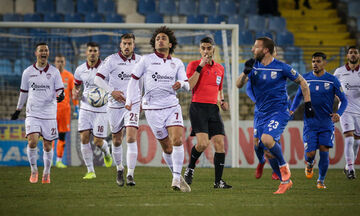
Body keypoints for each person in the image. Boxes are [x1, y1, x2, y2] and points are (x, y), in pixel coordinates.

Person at [236, 37, 313, 194]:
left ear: (265, 50)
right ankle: (285, 181)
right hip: (261, 113)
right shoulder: (254, 66)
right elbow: (238, 85)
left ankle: (284, 170)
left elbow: (303, 83)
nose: (252, 50)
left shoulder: (281, 67)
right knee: (263, 147)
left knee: (267, 140)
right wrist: (245, 72)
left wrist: (308, 105)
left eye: (256, 47)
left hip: (279, 111)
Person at [125, 26, 191, 192]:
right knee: (167, 148)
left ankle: (176, 179)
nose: (160, 40)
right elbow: (133, 80)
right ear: (154, 44)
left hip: (171, 106)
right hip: (152, 109)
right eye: (157, 38)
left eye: (163, 38)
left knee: (177, 140)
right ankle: (177, 175)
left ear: (170, 44)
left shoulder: (177, 63)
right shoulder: (146, 60)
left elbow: (188, 84)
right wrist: (130, 100)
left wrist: (181, 84)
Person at [290, 52, 347, 188]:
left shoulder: (332, 80)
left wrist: (339, 113)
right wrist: (292, 109)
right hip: (310, 122)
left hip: (326, 122)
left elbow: (344, 100)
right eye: (313, 61)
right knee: (310, 153)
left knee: (324, 150)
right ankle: (309, 163)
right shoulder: (305, 79)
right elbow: (298, 96)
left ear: (325, 63)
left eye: (318, 61)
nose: (315, 64)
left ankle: (321, 181)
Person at [11, 42, 65, 184]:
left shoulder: (54, 72)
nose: (43, 52)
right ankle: (34, 170)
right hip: (33, 113)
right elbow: (23, 92)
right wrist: (18, 109)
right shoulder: (28, 72)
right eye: (41, 50)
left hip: (49, 114)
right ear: (36, 53)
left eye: (46, 50)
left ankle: (46, 173)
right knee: (32, 141)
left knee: (48, 145)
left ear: (48, 53)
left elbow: (60, 90)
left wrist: (61, 95)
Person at [183, 37, 232, 189]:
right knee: (203, 144)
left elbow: (219, 88)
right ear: (200, 50)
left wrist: (222, 101)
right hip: (198, 107)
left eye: (208, 48)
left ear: (213, 49)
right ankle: (190, 168)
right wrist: (200, 67)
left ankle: (218, 182)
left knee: (220, 145)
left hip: (213, 108)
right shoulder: (193, 65)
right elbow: (190, 86)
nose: (206, 51)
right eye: (203, 48)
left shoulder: (220, 68)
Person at [94, 33, 141, 186]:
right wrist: (111, 91)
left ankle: (130, 174)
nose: (127, 46)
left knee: (131, 137)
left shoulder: (140, 61)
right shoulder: (111, 60)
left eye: (130, 43)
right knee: (117, 139)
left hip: (132, 104)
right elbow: (98, 78)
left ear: (134, 45)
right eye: (124, 44)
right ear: (120, 45)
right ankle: (120, 168)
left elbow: (144, 82)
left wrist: (142, 99)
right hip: (115, 105)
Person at [73, 42, 112, 180]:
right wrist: (75, 93)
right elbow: (76, 86)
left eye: (95, 51)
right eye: (90, 50)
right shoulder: (80, 70)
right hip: (85, 107)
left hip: (102, 109)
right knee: (84, 137)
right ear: (86, 53)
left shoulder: (106, 68)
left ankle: (107, 152)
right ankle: (90, 171)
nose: (92, 53)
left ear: (99, 53)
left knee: (98, 142)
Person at [334, 46, 360, 179]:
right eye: (351, 53)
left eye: (355, 52)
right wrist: (338, 96)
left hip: (359, 111)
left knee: (357, 142)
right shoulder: (339, 71)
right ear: (347, 56)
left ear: (359, 55)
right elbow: (333, 88)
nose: (353, 55)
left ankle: (348, 166)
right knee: (349, 138)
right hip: (346, 110)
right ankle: (351, 169)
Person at [246, 81, 280, 181]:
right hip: (260, 119)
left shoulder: (278, 78)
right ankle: (261, 162)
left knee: (272, 144)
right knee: (256, 144)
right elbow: (249, 88)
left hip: (275, 117)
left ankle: (276, 170)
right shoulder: (257, 73)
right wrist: (256, 100)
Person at [52, 54, 78, 168]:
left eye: (62, 61)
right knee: (50, 135)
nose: (60, 64)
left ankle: (58, 160)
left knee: (62, 135)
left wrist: (76, 107)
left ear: (65, 62)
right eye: (58, 61)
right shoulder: (49, 75)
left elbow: (74, 93)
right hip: (51, 110)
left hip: (64, 110)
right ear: (54, 62)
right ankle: (49, 159)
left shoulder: (69, 76)